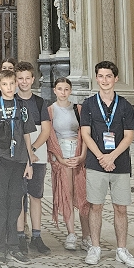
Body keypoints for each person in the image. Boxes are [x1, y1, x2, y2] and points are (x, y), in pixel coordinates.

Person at [80, 61, 134, 268]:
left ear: (116, 79)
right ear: (96, 78)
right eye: (101, 76)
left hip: (119, 162)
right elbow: (85, 134)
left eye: (108, 76)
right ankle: (95, 247)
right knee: (95, 206)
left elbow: (129, 135)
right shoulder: (89, 104)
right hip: (96, 162)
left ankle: (121, 249)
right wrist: (101, 157)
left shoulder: (124, 105)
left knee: (120, 207)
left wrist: (112, 157)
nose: (104, 80)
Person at [0, 69, 34, 263]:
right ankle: (0, 247)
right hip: (0, 161)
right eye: (5, 84)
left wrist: (29, 162)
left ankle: (14, 245)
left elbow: (27, 135)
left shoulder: (22, 106)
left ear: (16, 84)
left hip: (19, 160)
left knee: (15, 204)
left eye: (12, 84)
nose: (9, 87)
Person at [47, 77, 90, 251]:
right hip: (62, 155)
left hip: (78, 153)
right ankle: (71, 233)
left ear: (70, 91)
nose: (63, 92)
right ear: (55, 90)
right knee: (67, 193)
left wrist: (83, 155)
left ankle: (86, 236)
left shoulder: (78, 109)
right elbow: (50, 136)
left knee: (83, 195)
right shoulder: (50, 110)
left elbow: (85, 134)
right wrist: (59, 158)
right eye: (60, 89)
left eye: (66, 89)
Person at [15, 62, 52, 255]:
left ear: (33, 79)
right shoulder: (11, 100)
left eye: (27, 78)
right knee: (19, 196)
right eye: (20, 78)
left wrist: (32, 148)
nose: (24, 82)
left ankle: (37, 236)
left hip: (38, 156)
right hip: (17, 157)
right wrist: (25, 152)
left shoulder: (39, 102)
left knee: (35, 196)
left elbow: (46, 130)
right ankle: (20, 235)